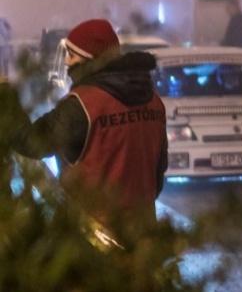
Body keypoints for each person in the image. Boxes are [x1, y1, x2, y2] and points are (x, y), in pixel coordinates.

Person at [0, 18, 167, 228]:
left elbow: (32, 143)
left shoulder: (82, 104)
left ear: (90, 59)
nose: (67, 62)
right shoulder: (154, 102)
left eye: (72, 55)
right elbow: (158, 171)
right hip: (143, 230)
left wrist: (5, 98)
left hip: (92, 231)